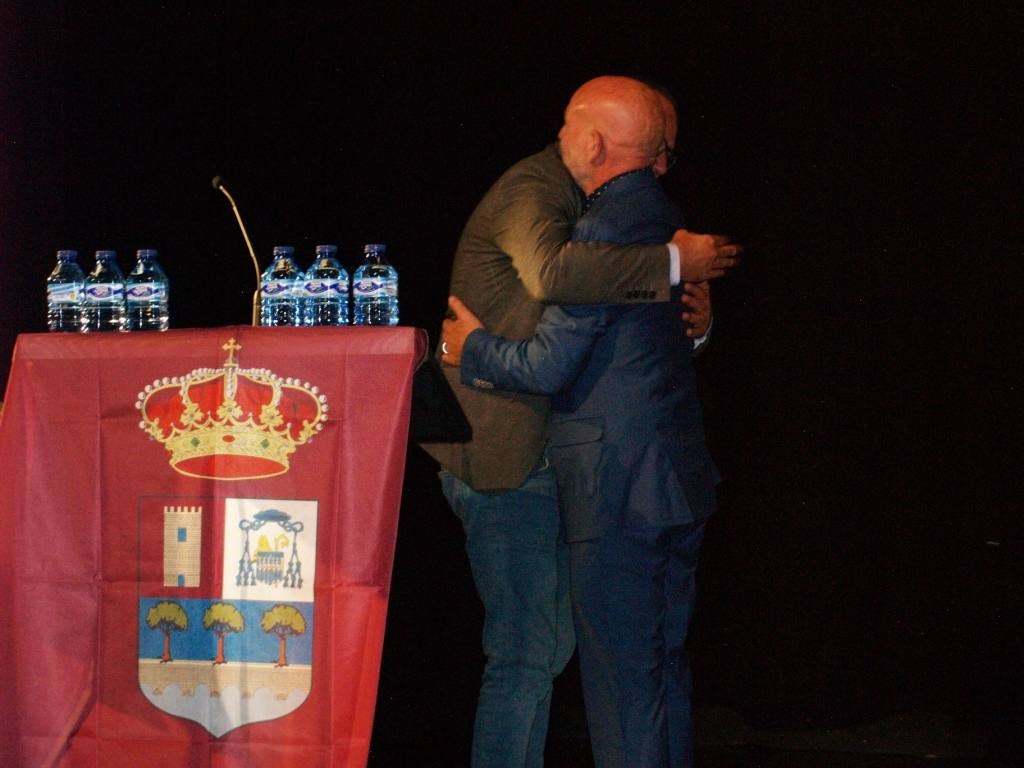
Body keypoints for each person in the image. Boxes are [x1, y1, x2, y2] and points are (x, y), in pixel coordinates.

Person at [420, 75, 738, 768]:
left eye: (667, 154)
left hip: (582, 466)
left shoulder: (621, 212)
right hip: (511, 459)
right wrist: (677, 261)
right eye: (655, 149)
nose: (660, 167)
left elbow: (635, 341)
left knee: (591, 654)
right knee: (535, 653)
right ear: (610, 143)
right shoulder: (539, 193)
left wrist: (693, 326)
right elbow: (560, 277)